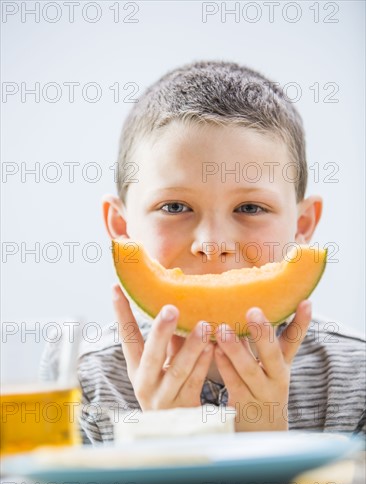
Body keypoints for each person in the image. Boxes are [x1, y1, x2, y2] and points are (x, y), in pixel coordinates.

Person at [40, 60, 366, 443]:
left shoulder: (355, 380)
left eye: (250, 208)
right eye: (175, 207)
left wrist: (264, 447)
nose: (213, 244)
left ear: (303, 225)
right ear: (121, 227)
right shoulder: (83, 383)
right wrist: (165, 446)